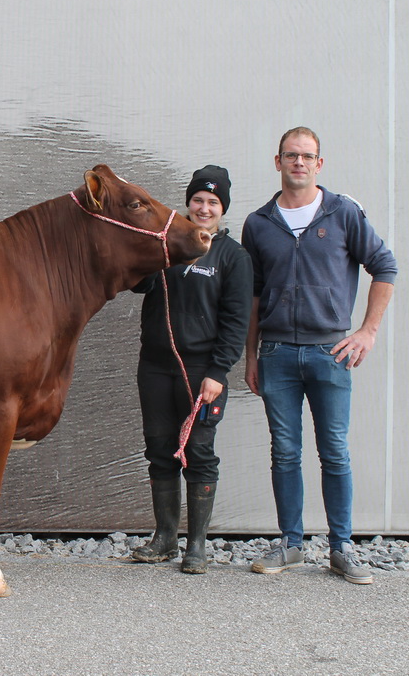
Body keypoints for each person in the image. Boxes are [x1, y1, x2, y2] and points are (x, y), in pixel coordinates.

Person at [241, 126, 397, 585]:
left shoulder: (343, 213)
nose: (299, 163)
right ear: (278, 161)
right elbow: (252, 296)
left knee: (335, 452)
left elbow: (384, 266)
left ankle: (341, 548)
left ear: (319, 164)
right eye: (291, 155)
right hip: (276, 355)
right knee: (285, 452)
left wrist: (367, 331)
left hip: (330, 353)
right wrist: (250, 357)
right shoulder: (259, 223)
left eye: (308, 156)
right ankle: (291, 545)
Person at [129, 165, 252, 574]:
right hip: (156, 366)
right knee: (160, 451)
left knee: (198, 452)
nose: (204, 208)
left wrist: (219, 372)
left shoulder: (233, 258)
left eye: (212, 202)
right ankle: (164, 538)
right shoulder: (169, 244)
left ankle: (196, 545)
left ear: (222, 209)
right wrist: (147, 252)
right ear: (188, 203)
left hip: (203, 371)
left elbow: (237, 322)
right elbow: (139, 285)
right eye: (198, 200)